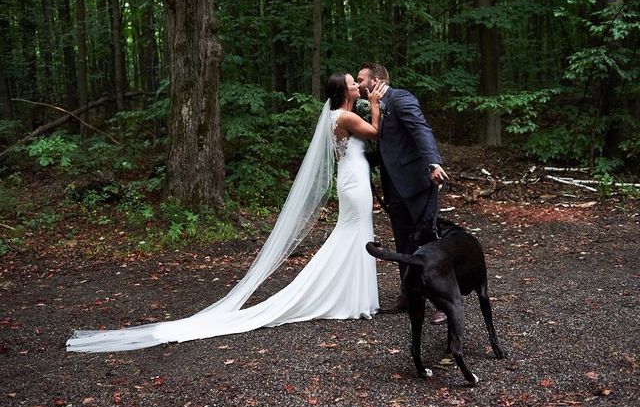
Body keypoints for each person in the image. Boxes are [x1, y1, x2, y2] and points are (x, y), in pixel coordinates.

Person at [66, 73, 388, 352]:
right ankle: (349, 298)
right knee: (353, 232)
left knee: (356, 233)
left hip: (353, 178)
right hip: (353, 182)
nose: (357, 87)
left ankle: (355, 297)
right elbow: (374, 133)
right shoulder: (344, 118)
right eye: (353, 84)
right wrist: (375, 103)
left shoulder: (338, 115)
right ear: (345, 92)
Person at [356, 63, 449, 324]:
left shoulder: (401, 99)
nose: (359, 85)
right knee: (403, 242)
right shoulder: (371, 106)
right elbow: (386, 145)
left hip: (417, 184)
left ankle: (442, 301)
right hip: (393, 187)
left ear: (376, 80)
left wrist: (433, 163)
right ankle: (409, 294)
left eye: (362, 79)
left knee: (429, 240)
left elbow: (421, 130)